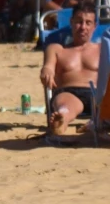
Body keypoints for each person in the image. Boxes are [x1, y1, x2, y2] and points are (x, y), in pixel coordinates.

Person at [40, 9, 99, 140]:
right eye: (79, 22)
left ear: (95, 26)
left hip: (97, 94)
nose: (83, 27)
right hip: (69, 93)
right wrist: (47, 71)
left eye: (88, 23)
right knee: (66, 106)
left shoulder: (103, 48)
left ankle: (96, 123)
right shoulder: (57, 49)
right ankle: (62, 119)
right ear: (71, 22)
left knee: (109, 102)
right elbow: (48, 66)